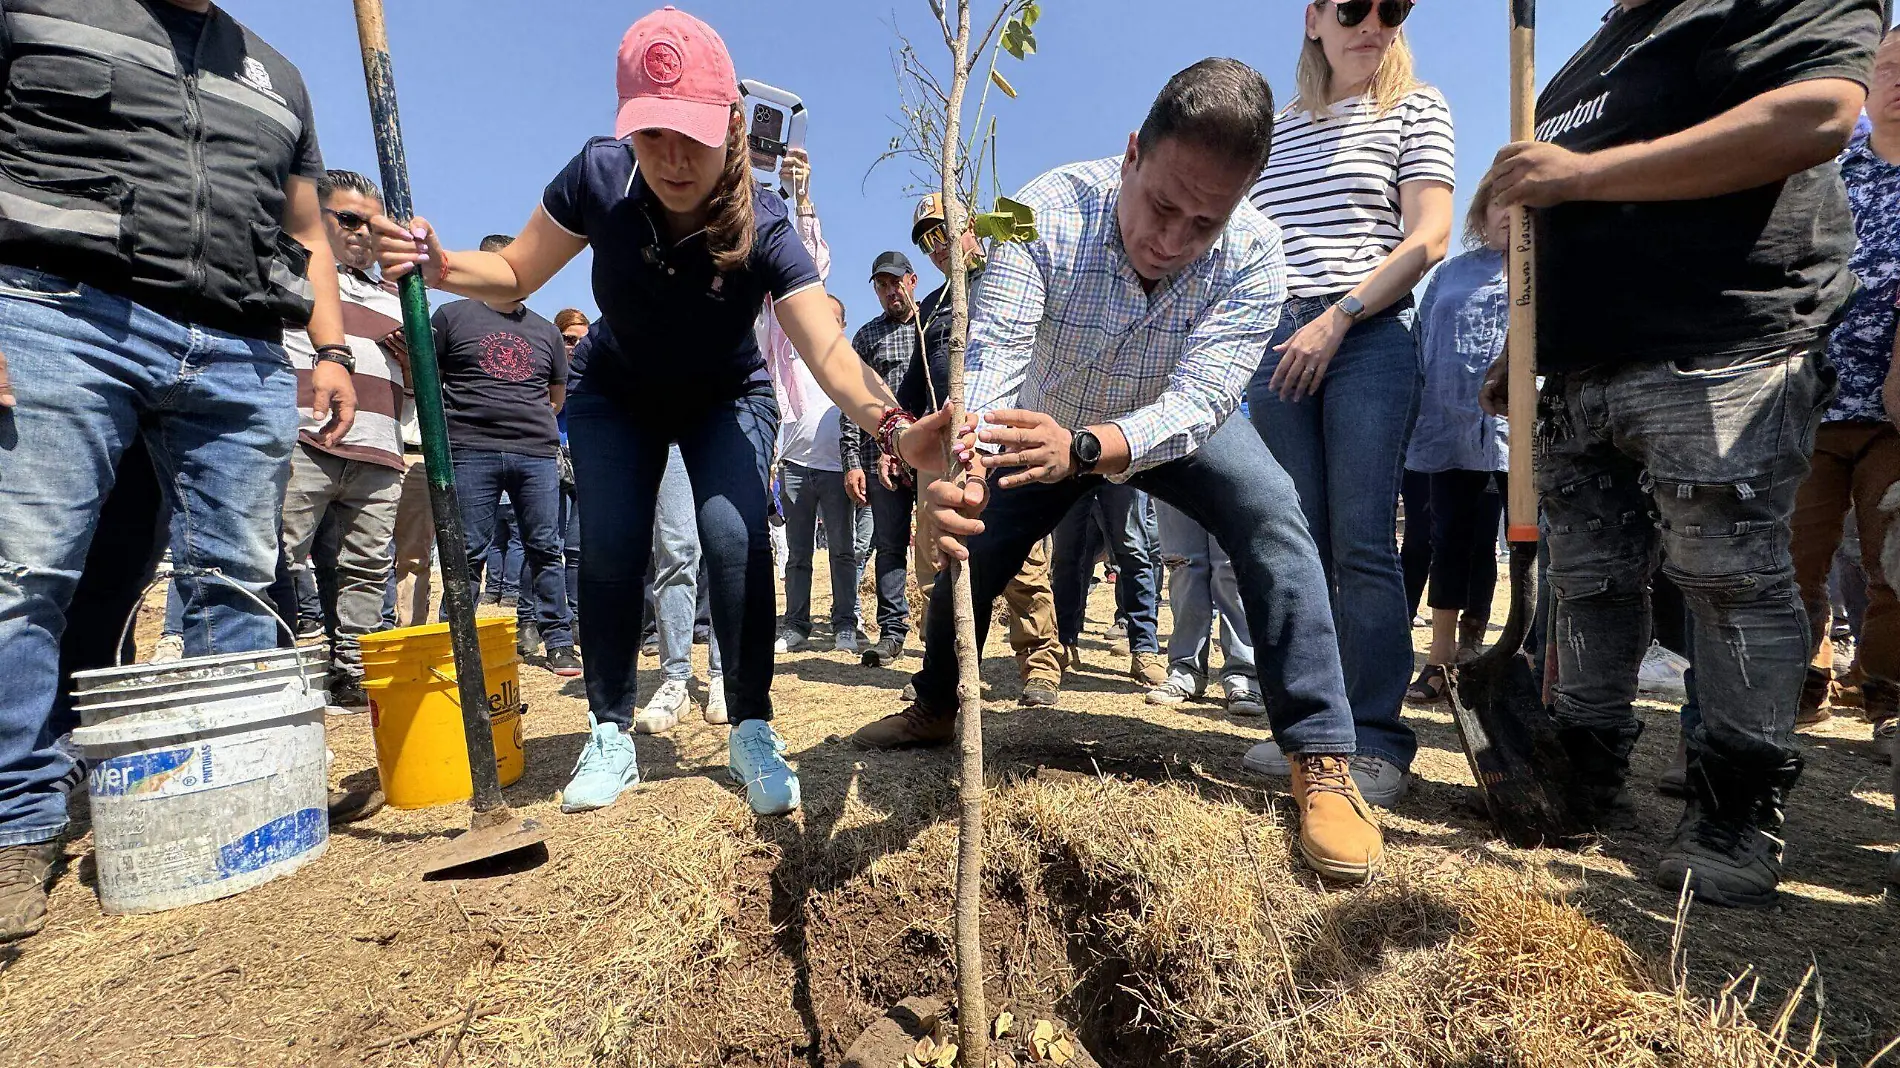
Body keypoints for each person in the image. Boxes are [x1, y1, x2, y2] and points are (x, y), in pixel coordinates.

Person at [373, 7, 935, 817]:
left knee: (736, 537)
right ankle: (610, 728)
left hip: (724, 396)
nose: (673, 159)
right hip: (617, 392)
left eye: (694, 138)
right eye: (653, 135)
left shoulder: (765, 224)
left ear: (732, 127)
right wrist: (442, 261)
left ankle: (750, 723)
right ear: (627, 130)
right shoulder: (599, 178)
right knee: (610, 545)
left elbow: (830, 353)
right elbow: (515, 273)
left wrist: (895, 426)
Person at [854, 58, 1386, 883]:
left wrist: (1098, 446)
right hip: (1039, 420)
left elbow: (1206, 397)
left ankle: (1319, 752)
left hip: (1167, 426)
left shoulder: (1252, 253)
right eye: (1163, 205)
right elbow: (991, 361)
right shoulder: (1044, 212)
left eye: (1202, 223)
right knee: (982, 540)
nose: (1171, 242)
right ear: (1132, 152)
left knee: (1273, 512)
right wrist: (965, 467)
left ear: (1237, 207)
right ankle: (934, 701)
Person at [1479, 0, 1881, 908]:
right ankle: (1581, 766)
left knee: (1727, 575)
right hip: (1583, 367)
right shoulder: (1590, 54)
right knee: (1588, 582)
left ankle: (1735, 805)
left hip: (1719, 339)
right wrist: (1522, 344)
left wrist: (1579, 175)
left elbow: (1815, 115)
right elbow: (1549, 219)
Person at [0, 0, 354, 944]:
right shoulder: (42, 8)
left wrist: (330, 347)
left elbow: (308, 227)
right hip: (57, 309)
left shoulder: (275, 74)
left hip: (238, 339)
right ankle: (18, 819)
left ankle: (229, 795)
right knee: (26, 572)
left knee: (234, 576)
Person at [1241, 0, 1455, 810]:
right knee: (1298, 544)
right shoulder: (1277, 127)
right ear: (1314, 18)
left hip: (1363, 335)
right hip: (1275, 343)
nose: (1374, 22)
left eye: (1393, 7)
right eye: (1353, 7)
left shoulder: (1417, 106)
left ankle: (1375, 735)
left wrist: (1339, 318)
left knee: (1364, 541)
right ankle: (1313, 727)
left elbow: (1428, 236)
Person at [895, 194, 1066, 707]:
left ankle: (1040, 665)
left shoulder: (1015, 272)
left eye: (945, 231)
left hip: (1005, 436)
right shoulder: (931, 308)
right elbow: (915, 384)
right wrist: (898, 440)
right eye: (927, 241)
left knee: (1023, 560)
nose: (937, 247)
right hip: (949, 447)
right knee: (937, 559)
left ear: (971, 225)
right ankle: (941, 671)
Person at [1790, 31, 1900, 735]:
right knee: (1797, 552)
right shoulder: (1835, 164)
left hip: (1896, 412)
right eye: (1887, 67)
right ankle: (1804, 679)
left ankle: (1888, 690)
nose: (1899, 81)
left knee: (1890, 559)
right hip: (1815, 396)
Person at [275, 169, 411, 709]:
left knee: (366, 566)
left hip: (379, 448)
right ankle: (279, 666)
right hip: (306, 437)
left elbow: (421, 392)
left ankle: (353, 668)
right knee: (281, 555)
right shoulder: (295, 275)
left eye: (373, 225)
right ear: (318, 218)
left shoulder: (398, 298)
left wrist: (411, 360)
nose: (363, 234)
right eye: (350, 219)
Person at [429, 234, 581, 679]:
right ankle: (454, 641)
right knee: (468, 551)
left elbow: (556, 395)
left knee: (545, 548)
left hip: (535, 452)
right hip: (471, 449)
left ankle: (558, 641)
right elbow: (428, 379)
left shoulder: (545, 330)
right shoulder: (450, 317)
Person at [1402, 181, 1510, 705]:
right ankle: (1441, 659)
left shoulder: (1549, 267)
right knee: (1448, 540)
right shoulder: (1450, 272)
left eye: (1524, 204)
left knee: (1533, 547)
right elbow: (1422, 342)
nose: (1511, 214)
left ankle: (1520, 659)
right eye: (1499, 202)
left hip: (1525, 433)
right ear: (1482, 211)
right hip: (1446, 427)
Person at [771, 250, 875, 659]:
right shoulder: (793, 358)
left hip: (837, 469)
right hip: (795, 468)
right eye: (821, 316)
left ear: (843, 325)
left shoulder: (851, 361)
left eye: (834, 318)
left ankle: (845, 625)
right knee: (796, 555)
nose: (826, 323)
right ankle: (795, 625)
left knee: (843, 551)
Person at [843, 251, 925, 668]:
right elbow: (852, 404)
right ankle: (892, 633)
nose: (890, 291)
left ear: (912, 281)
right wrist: (852, 462)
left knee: (937, 545)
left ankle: (942, 630)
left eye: (896, 282)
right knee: (889, 546)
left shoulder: (935, 324)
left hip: (931, 456)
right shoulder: (866, 337)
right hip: (882, 460)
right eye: (882, 285)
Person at [1147, 503, 1267, 716]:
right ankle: (1185, 668)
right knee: (1182, 563)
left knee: (1231, 565)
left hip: (1234, 471)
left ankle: (1245, 673)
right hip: (1169, 470)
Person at [1052, 486, 1165, 686]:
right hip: (1072, 468)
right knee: (1067, 555)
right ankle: (1066, 643)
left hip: (1121, 470)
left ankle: (1145, 649)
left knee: (1134, 552)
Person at [554, 308, 591, 631]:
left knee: (578, 547)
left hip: (583, 458)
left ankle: (579, 617)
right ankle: (545, 617)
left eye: (583, 339)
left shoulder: (595, 369)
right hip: (550, 456)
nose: (575, 345)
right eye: (568, 339)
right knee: (547, 545)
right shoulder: (548, 369)